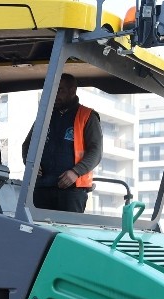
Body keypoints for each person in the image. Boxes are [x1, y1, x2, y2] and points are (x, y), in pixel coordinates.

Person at [22, 73, 103, 213]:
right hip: (42, 187)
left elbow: (96, 151)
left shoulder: (87, 116)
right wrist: (31, 164)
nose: (55, 95)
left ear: (72, 91)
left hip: (72, 190)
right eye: (53, 90)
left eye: (60, 90)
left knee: (68, 232)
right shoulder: (45, 115)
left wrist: (76, 172)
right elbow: (28, 145)